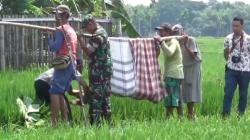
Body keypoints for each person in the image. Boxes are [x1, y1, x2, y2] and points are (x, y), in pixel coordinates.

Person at [47, 5, 78, 127]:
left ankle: (54, 124)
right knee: (61, 92)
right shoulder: (71, 30)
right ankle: (64, 122)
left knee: (54, 92)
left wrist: (48, 38)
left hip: (63, 63)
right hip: (72, 63)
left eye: (59, 14)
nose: (56, 16)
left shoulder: (60, 29)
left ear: (65, 15)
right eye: (56, 14)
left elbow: (55, 47)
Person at [79, 14, 113, 125]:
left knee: (96, 98)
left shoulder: (98, 36)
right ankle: (107, 123)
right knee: (105, 98)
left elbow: (89, 52)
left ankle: (96, 124)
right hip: (105, 71)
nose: (86, 30)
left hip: (99, 72)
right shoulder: (101, 32)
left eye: (86, 27)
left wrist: (80, 40)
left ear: (91, 23)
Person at [172, 24, 202, 120]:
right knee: (183, 92)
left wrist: (184, 44)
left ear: (182, 31)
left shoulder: (190, 40)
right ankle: (186, 115)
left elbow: (193, 56)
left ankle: (191, 114)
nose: (176, 32)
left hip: (193, 67)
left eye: (177, 30)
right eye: (174, 31)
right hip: (183, 68)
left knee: (191, 91)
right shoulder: (175, 42)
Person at [154, 23, 184, 118]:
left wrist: (161, 42)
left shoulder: (173, 41)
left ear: (167, 32)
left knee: (172, 97)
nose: (160, 33)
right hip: (171, 74)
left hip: (174, 74)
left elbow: (169, 52)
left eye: (161, 31)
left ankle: (169, 118)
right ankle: (180, 118)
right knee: (176, 97)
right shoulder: (167, 42)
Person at [223, 17, 250, 117]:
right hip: (231, 70)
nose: (234, 28)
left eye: (237, 26)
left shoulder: (248, 39)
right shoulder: (228, 38)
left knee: (243, 94)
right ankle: (225, 116)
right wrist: (230, 62)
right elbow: (225, 53)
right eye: (233, 26)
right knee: (228, 93)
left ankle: (240, 115)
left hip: (245, 71)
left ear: (242, 26)